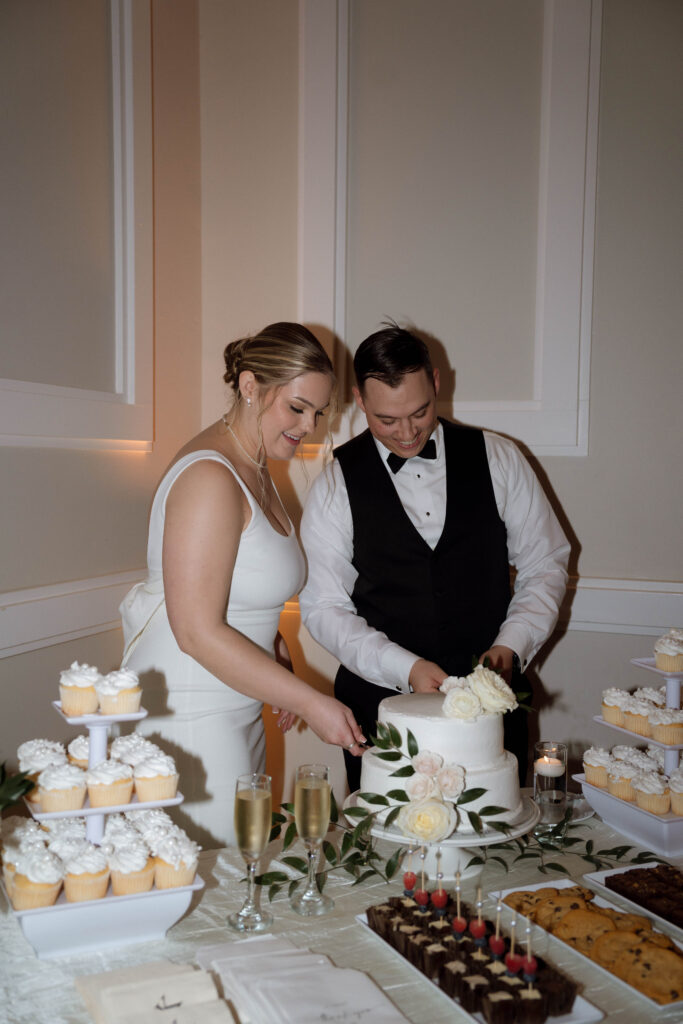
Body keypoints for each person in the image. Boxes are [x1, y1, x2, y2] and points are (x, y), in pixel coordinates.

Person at [119, 322, 365, 847]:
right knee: (215, 889)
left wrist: (273, 650)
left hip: (239, 704)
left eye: (319, 412)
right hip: (191, 715)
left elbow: (238, 593)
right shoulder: (209, 476)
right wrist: (309, 700)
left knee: (243, 872)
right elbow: (197, 632)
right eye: (297, 408)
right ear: (250, 385)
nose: (310, 426)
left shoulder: (256, 464)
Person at [299, 324, 570, 792]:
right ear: (360, 401)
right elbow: (324, 608)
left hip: (493, 711)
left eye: (420, 412)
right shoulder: (334, 483)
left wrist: (511, 645)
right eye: (386, 420)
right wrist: (402, 667)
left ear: (438, 383)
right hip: (379, 716)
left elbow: (546, 564)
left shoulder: (500, 458)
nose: (406, 432)